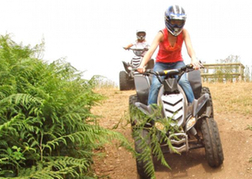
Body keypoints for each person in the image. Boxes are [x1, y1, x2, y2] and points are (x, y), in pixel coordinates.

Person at [137, 5, 200, 105]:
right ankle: (152, 113)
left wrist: (194, 59)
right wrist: (142, 65)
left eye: (179, 22)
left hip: (178, 63)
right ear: (167, 20)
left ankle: (193, 109)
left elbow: (190, 48)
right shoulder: (161, 34)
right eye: (173, 21)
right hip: (161, 64)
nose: (176, 25)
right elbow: (150, 51)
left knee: (183, 82)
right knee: (156, 84)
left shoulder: (184, 32)